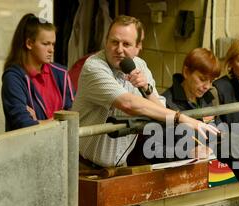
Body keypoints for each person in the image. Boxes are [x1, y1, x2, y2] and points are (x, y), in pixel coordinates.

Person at [72, 15, 218, 168]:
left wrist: (147, 90)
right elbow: (127, 103)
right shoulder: (94, 67)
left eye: (126, 44)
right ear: (106, 41)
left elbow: (161, 112)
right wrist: (183, 118)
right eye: (114, 42)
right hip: (83, 166)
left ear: (138, 47)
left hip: (119, 165)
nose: (119, 49)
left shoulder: (139, 66)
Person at [1, 13, 74, 131]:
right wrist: (60, 120)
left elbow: (75, 118)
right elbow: (24, 125)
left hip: (59, 147)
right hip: (26, 147)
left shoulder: (62, 73)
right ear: (29, 43)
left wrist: (40, 122)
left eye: (53, 44)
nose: (51, 50)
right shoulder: (13, 78)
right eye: (45, 44)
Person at [163, 48, 220, 120]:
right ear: (186, 72)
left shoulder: (207, 96)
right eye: (202, 79)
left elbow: (219, 126)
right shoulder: (166, 103)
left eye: (211, 81)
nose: (207, 87)